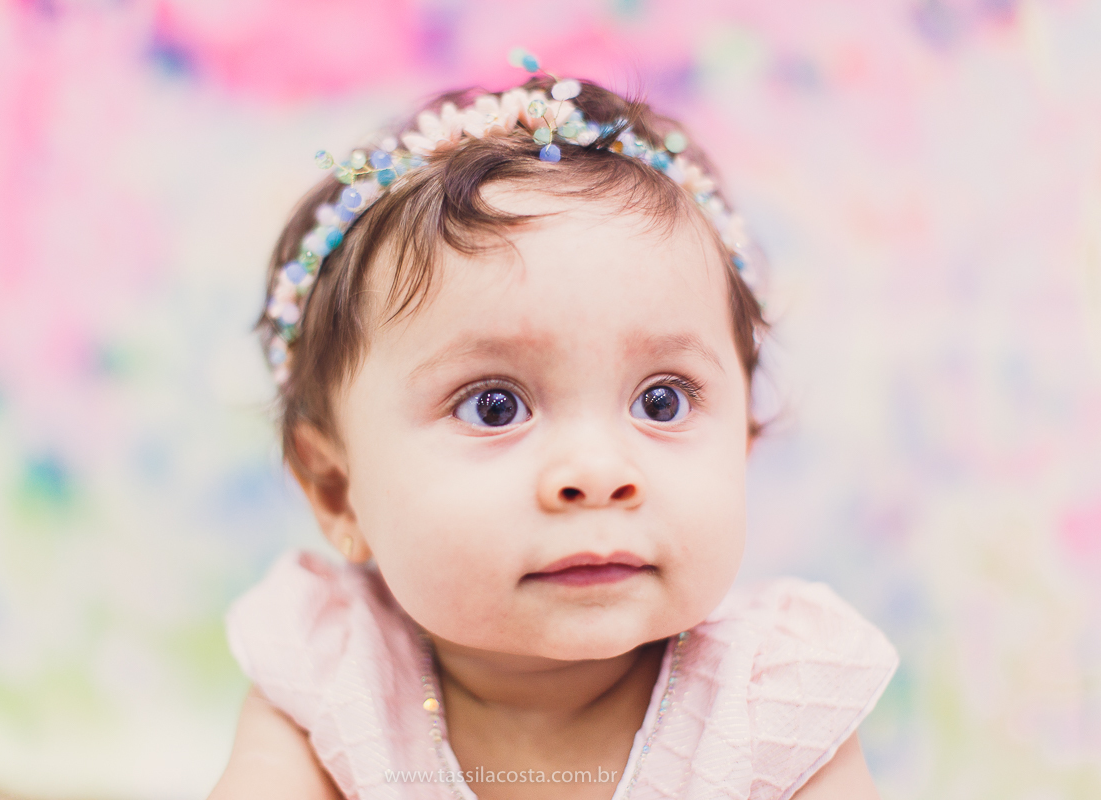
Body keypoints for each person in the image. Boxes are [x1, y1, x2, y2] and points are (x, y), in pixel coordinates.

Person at [208, 61, 898, 800]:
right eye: (494, 406)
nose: (597, 473)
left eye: (661, 402)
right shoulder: (330, 672)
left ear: (744, 451)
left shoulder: (773, 694)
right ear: (337, 489)